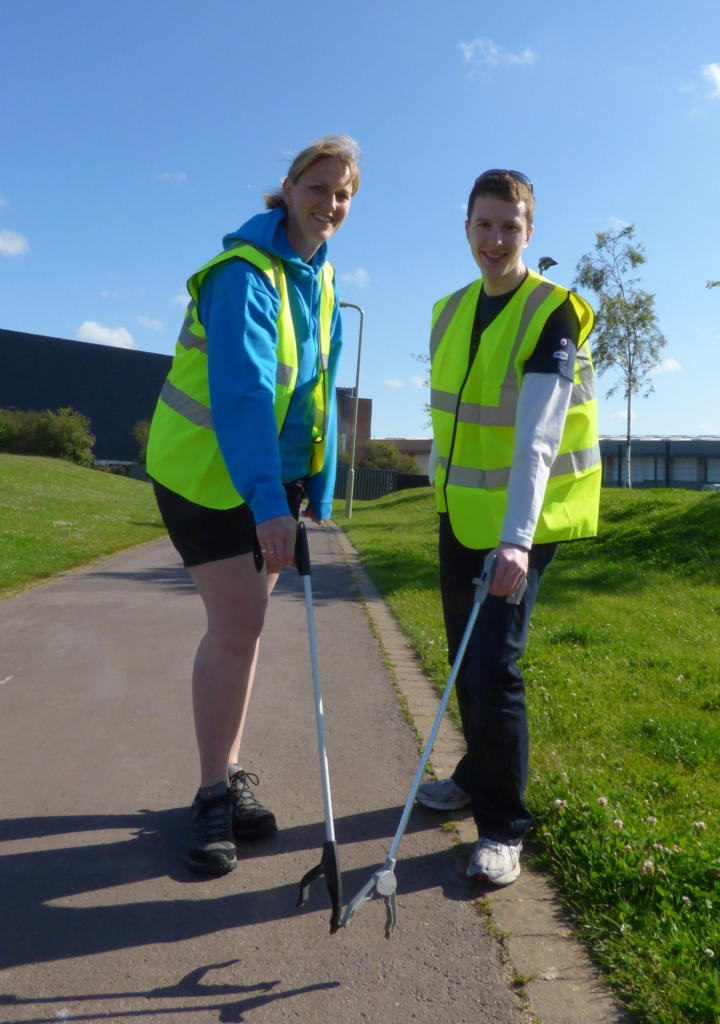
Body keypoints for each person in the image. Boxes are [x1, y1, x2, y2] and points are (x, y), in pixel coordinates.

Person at [145, 135, 361, 874]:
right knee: (237, 624)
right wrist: (270, 502)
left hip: (272, 480)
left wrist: (315, 489)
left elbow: (318, 391)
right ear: (290, 185)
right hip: (207, 477)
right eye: (318, 186)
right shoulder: (246, 274)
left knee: (248, 624)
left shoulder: (322, 278)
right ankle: (211, 793)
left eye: (343, 194)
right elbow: (241, 398)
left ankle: (226, 775)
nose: (329, 203)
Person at [417, 169, 600, 885]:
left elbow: (536, 439)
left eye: (510, 227)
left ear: (530, 232)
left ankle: (503, 825)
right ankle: (472, 773)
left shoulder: (551, 311)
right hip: (460, 514)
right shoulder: (448, 311)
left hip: (526, 521)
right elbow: (450, 422)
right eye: (484, 225)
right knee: (468, 659)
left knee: (495, 667)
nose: (495, 240)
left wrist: (518, 540)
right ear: (465, 227)